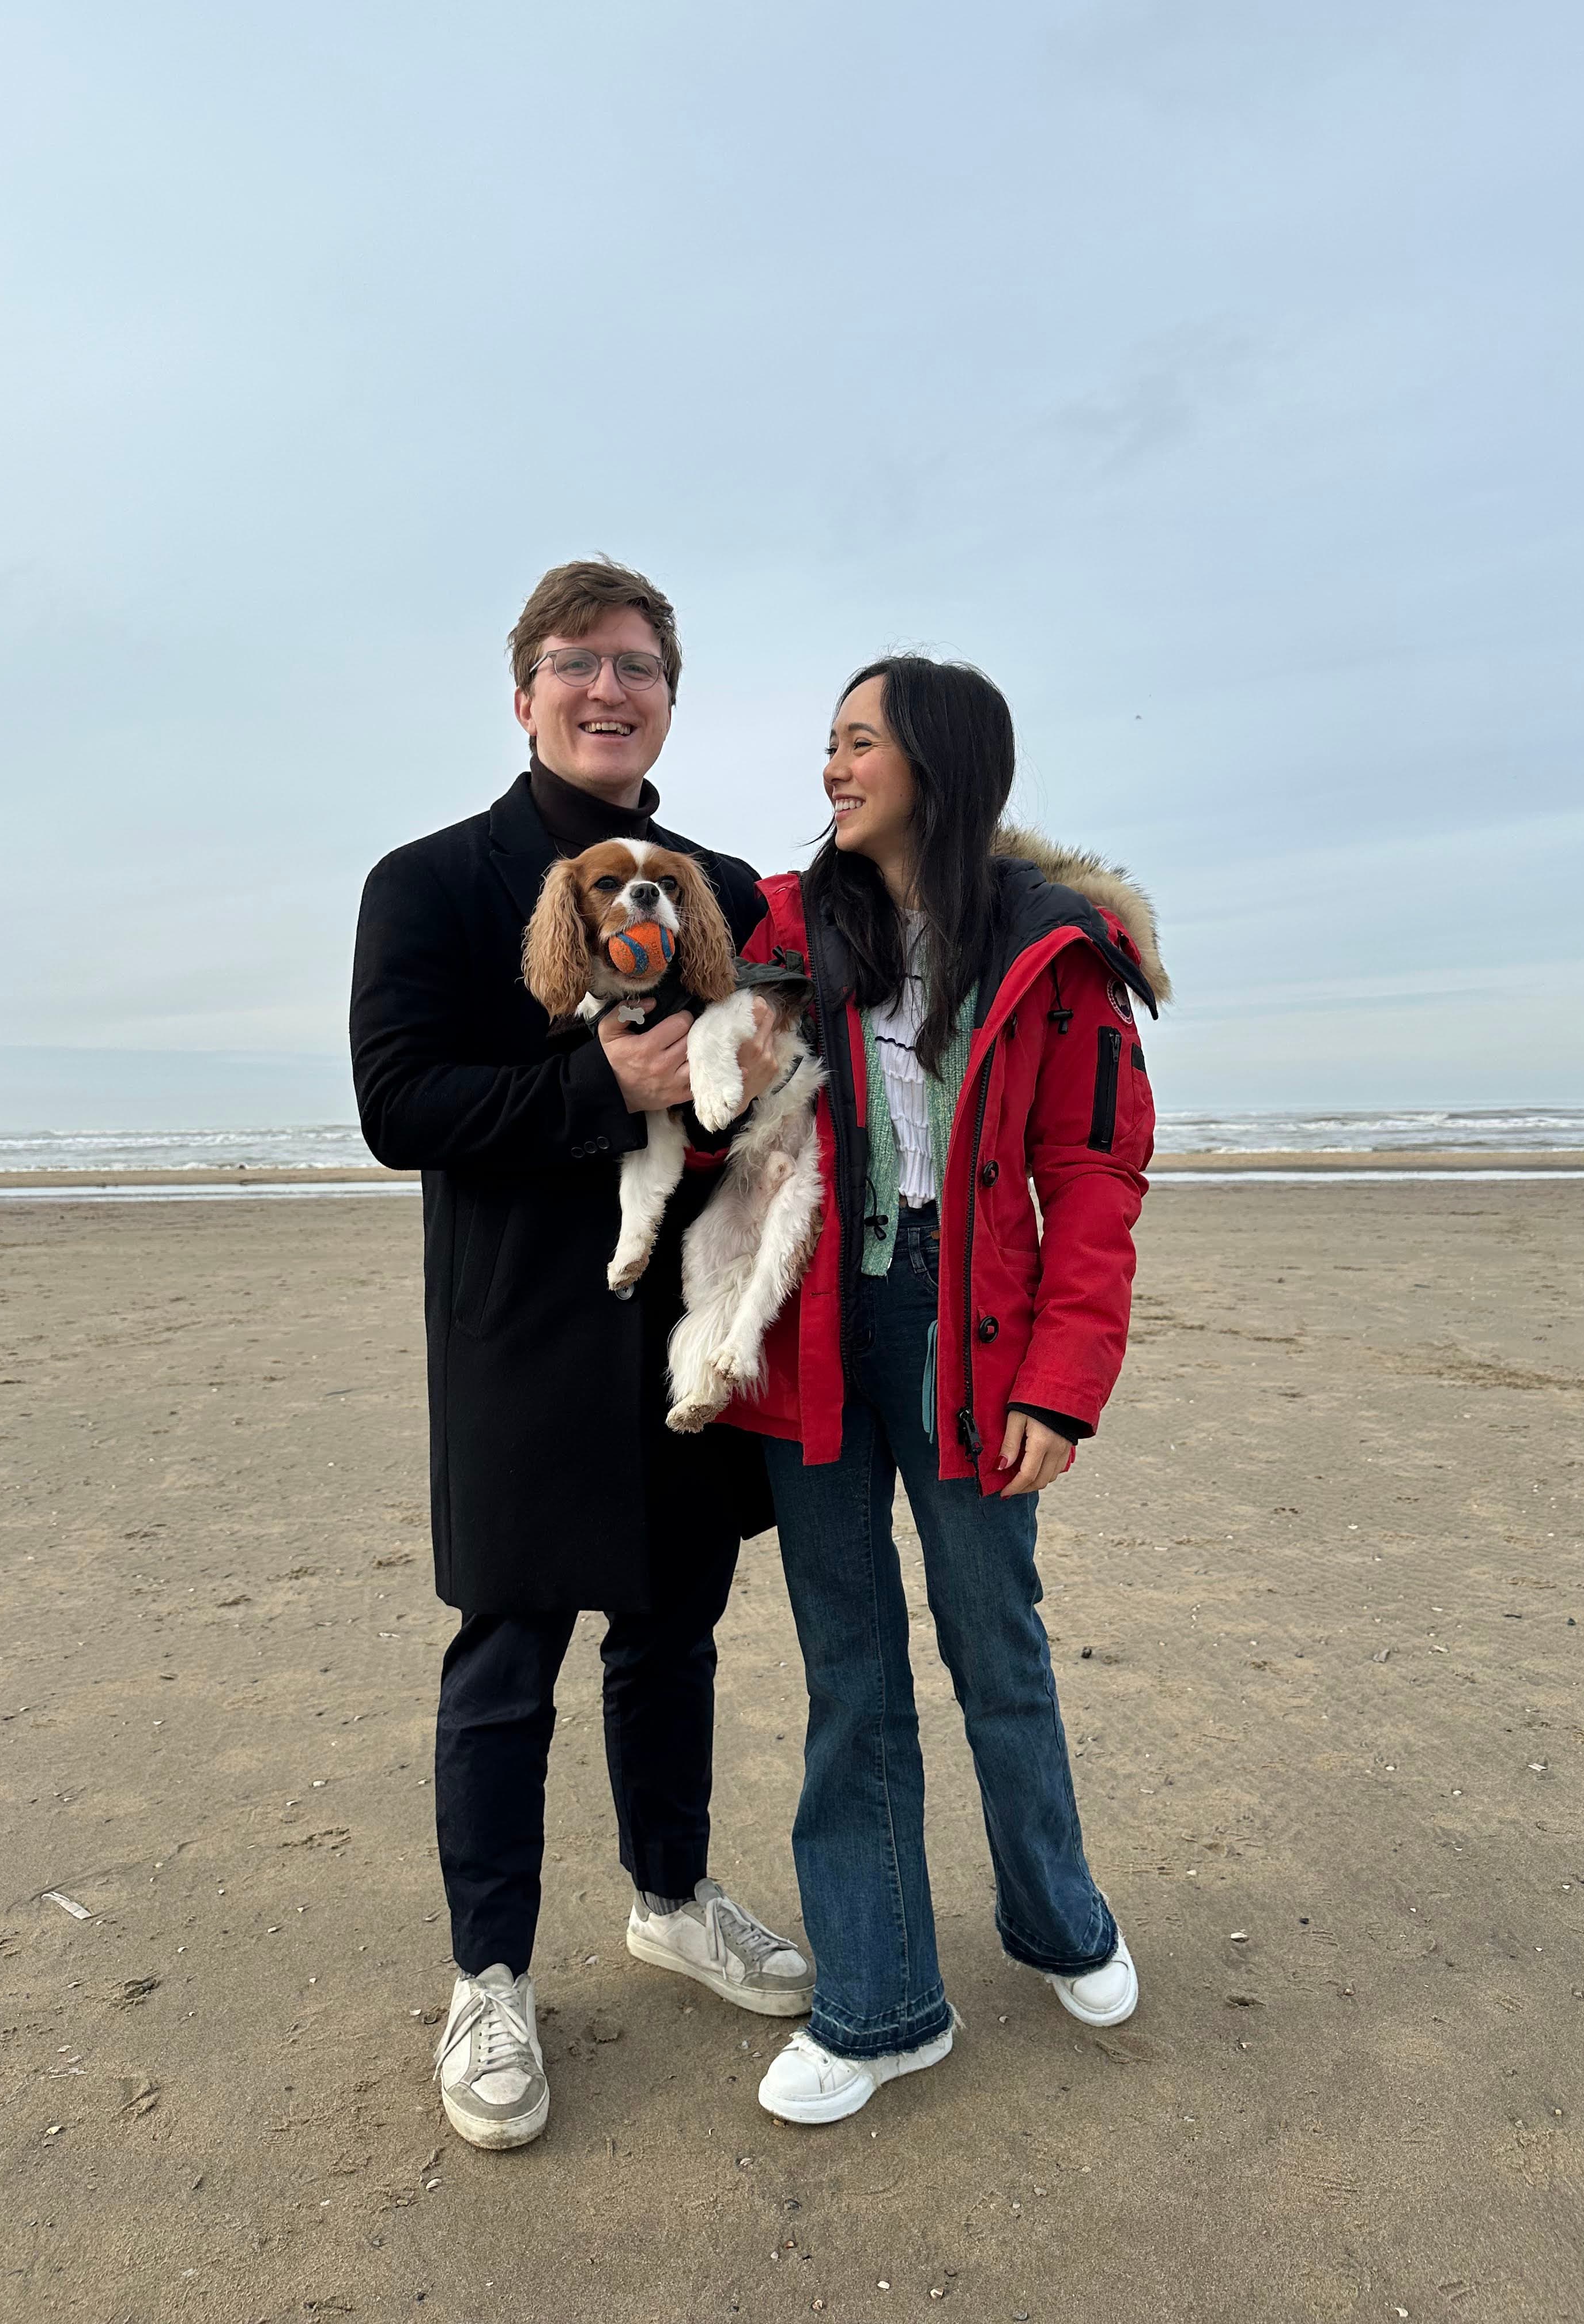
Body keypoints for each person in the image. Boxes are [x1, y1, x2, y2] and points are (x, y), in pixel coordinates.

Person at [349, 559, 813, 2153]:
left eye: (637, 665)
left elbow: (788, 1074)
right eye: (575, 663)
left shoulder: (728, 885)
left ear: (670, 696)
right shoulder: (433, 882)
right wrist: (593, 1095)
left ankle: (671, 1898)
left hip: (684, 1336)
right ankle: (490, 1976)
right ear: (524, 689)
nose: (607, 689)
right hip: (517, 1338)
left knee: (673, 1632)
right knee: (505, 1662)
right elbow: (397, 1107)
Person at [719, 655, 1170, 2125]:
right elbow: (651, 967)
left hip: (972, 1330)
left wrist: (1065, 1383)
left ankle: (1056, 1917)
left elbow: (1092, 1178)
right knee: (850, 1672)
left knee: (997, 1644)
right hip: (816, 1325)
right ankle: (882, 2004)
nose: (832, 769)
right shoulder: (792, 923)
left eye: (857, 744)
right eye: (831, 745)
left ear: (937, 759)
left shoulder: (1056, 948)